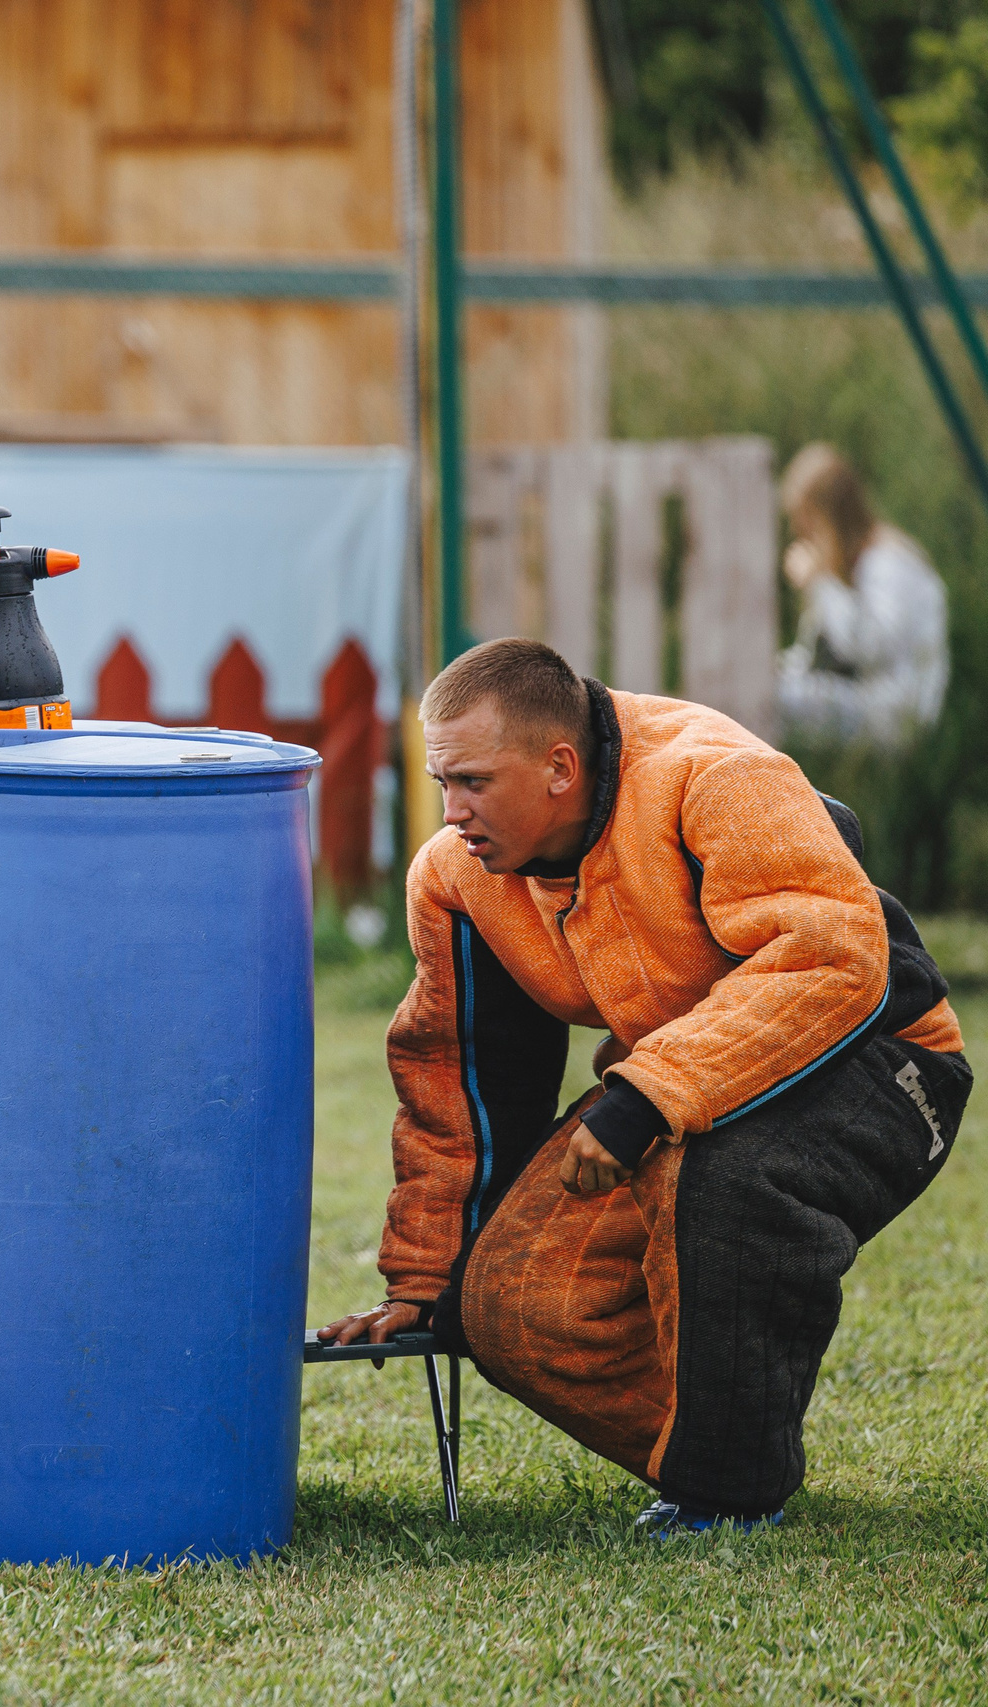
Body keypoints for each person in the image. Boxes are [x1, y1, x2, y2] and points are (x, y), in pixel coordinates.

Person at [320, 638, 968, 1535]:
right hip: (674, 1078)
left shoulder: (718, 777)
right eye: (441, 781)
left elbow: (831, 959)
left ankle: (728, 1493)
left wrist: (647, 1095)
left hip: (880, 1055)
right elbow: (457, 1076)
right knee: (508, 1307)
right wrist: (426, 1277)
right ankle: (724, 1437)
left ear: (559, 767)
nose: (451, 811)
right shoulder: (455, 876)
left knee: (715, 1178)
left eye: (473, 782)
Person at [776, 442, 949, 745]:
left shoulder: (887, 562)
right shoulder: (853, 565)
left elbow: (871, 649)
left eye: (808, 525)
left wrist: (819, 585)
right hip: (872, 700)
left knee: (776, 703)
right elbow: (816, 656)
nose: (803, 537)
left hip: (897, 715)